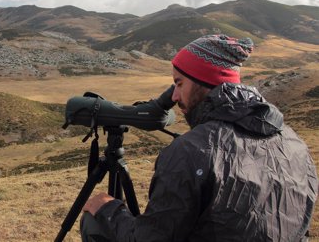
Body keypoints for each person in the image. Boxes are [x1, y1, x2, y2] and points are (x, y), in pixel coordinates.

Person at [80, 34, 318, 241]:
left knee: (94, 220)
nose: (174, 95)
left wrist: (108, 209)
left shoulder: (191, 152)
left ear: (203, 81)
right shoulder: (294, 142)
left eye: (179, 83)